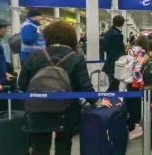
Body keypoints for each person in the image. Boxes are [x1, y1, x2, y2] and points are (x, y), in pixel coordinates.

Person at [18, 20, 109, 155]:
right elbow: (85, 86)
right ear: (71, 37)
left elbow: (22, 84)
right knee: (64, 144)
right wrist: (98, 102)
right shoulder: (76, 58)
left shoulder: (35, 55)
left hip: (37, 108)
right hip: (66, 109)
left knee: (40, 147)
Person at [126, 35, 150, 140]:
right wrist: (141, 82)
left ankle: (131, 125)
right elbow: (137, 69)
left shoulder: (130, 49)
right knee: (135, 104)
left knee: (130, 103)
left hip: (128, 80)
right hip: (135, 81)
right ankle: (132, 129)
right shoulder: (142, 52)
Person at [102, 15, 126, 91]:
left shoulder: (108, 33)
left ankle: (110, 101)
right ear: (122, 24)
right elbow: (120, 51)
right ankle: (104, 99)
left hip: (109, 63)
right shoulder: (117, 35)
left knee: (113, 85)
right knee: (114, 88)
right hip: (115, 66)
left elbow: (104, 48)